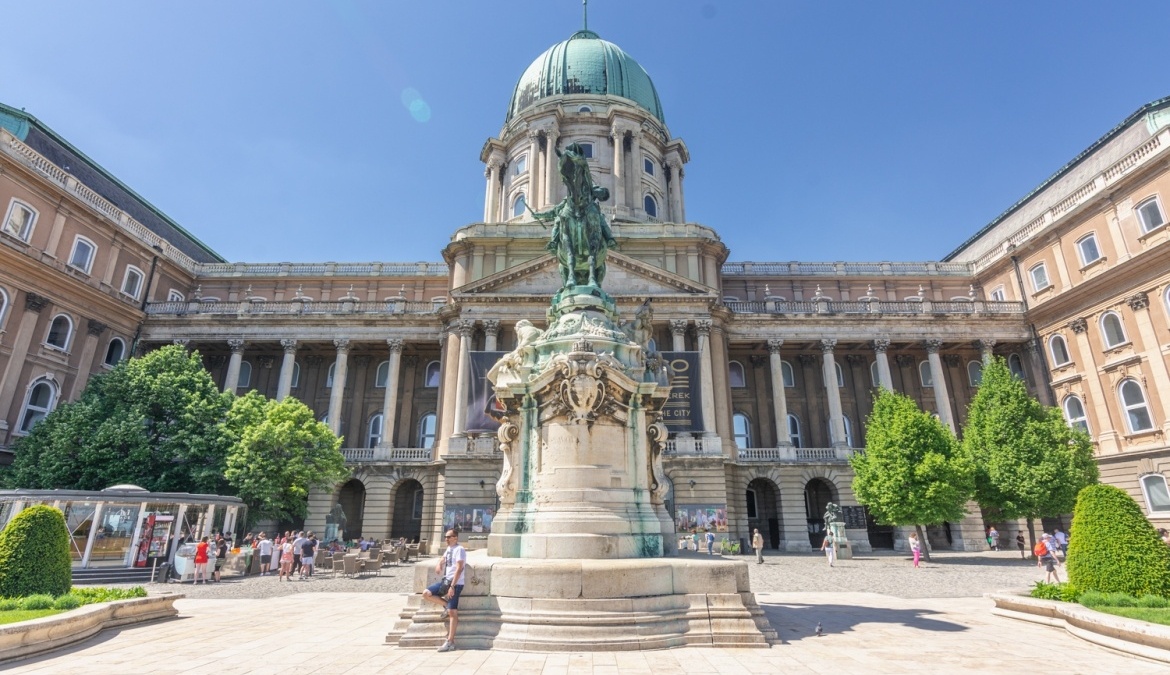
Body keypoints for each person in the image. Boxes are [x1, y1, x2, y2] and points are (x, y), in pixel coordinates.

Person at [422, 530, 466, 653]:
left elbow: (459, 568)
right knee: (426, 593)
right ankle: (446, 605)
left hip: (455, 584)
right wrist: (439, 564)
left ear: (455, 538)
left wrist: (452, 586)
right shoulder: (449, 549)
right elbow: (443, 558)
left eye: (448, 537)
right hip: (445, 581)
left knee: (453, 612)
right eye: (445, 537)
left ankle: (450, 641)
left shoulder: (460, 549)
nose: (446, 539)